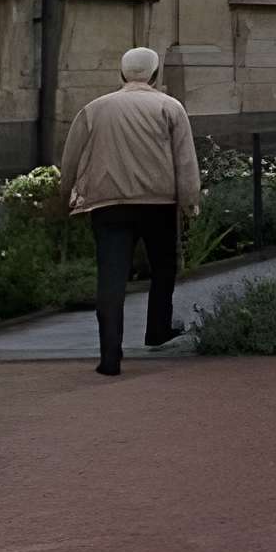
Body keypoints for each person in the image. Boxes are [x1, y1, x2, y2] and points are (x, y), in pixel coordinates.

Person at [58, 46, 201, 376]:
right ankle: (157, 330)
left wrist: (67, 194)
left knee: (111, 278)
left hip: (108, 204)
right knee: (164, 268)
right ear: (154, 74)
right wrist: (189, 202)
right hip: (158, 203)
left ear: (122, 74)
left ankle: (110, 356)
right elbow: (185, 161)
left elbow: (70, 157)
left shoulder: (94, 109)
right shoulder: (169, 107)